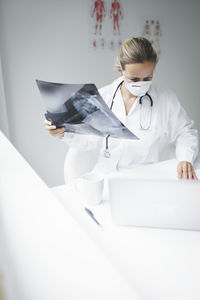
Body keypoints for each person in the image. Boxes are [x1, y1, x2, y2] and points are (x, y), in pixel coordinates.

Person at [44, 37, 199, 179]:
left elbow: (185, 132)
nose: (141, 83)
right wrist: (63, 131)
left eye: (148, 78)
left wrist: (185, 159)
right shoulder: (103, 97)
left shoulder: (166, 99)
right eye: (134, 78)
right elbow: (89, 140)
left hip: (145, 179)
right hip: (106, 176)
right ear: (120, 70)